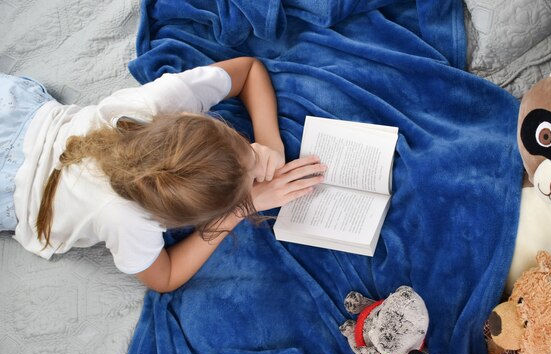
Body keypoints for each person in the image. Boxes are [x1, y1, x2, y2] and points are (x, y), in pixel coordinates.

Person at [0, 58, 326, 292]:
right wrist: (241, 208)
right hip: (11, 187)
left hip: (16, 113)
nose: (257, 162)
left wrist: (270, 142)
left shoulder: (154, 104)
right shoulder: (125, 219)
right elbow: (164, 278)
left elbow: (248, 69)